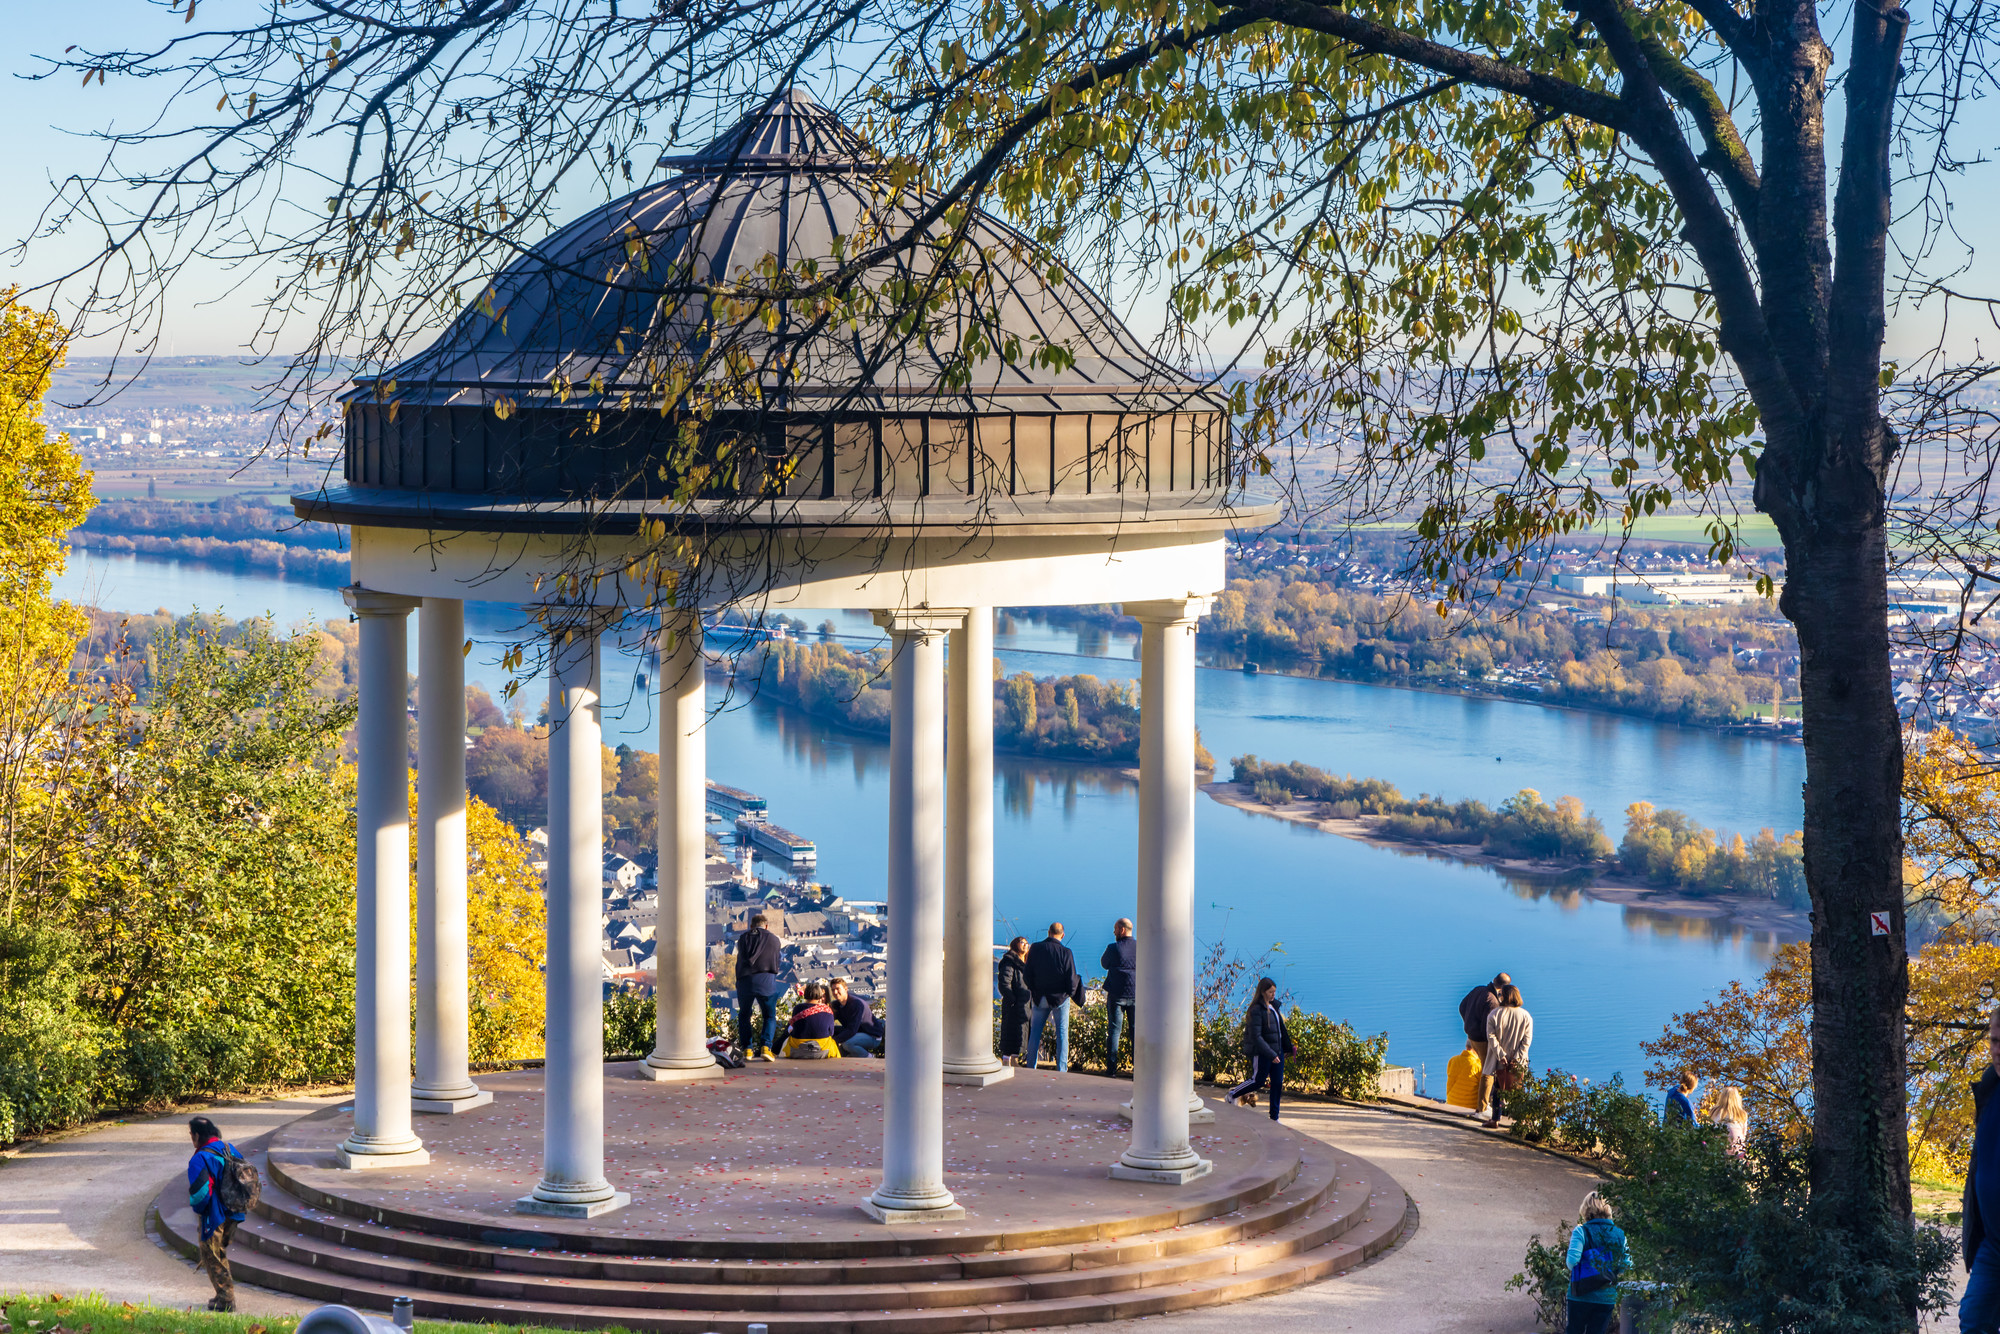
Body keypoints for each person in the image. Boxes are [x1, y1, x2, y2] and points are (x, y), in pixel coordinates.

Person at [1960, 1007, 2000, 1334]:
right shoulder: (1989, 1090)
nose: (1998, 1050)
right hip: (1992, 1243)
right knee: (1973, 1319)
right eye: (1995, 1041)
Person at [187, 1116, 247, 1312]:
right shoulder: (229, 1149)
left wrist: (196, 1208)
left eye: (191, 1134)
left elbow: (200, 1195)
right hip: (234, 1212)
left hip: (213, 1216)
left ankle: (226, 1301)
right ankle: (221, 1296)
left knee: (213, 1256)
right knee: (220, 1253)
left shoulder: (200, 1158)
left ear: (196, 1135)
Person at [1564, 1190, 1631, 1334]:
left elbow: (1571, 1262)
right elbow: (1627, 1264)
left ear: (1586, 1210)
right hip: (1606, 1296)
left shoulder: (1581, 1231)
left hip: (1580, 1295)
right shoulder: (1620, 1234)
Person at [1224, 978, 1292, 1120]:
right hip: (1263, 1053)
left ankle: (1274, 1117)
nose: (1273, 995)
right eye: (1270, 992)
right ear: (1262, 992)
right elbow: (1256, 1036)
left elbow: (1281, 1030)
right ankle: (1233, 1094)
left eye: (1274, 991)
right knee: (1258, 1081)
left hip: (1277, 1051)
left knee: (1277, 1083)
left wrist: (1287, 1048)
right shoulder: (1256, 1010)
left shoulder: (1274, 1007)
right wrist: (1270, 1053)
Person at [1024, 922, 1082, 1071]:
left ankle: (1031, 1066)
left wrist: (1034, 989)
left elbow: (1027, 974)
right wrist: (1069, 993)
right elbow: (1071, 977)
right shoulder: (1066, 952)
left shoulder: (1035, 948)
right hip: (1060, 998)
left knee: (1035, 1033)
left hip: (1040, 997)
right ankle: (1061, 1068)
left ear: (1048, 932)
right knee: (1062, 1034)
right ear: (1062, 935)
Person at [732, 912, 785, 1061]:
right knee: (769, 1015)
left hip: (745, 981)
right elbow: (777, 960)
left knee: (744, 1015)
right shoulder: (774, 940)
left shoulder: (743, 939)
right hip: (766, 980)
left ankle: (747, 1049)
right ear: (766, 926)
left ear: (751, 926)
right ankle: (766, 1047)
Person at [1482, 984, 1533, 1127]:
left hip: (1499, 1060)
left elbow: (1491, 1037)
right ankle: (1521, 1120)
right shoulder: (1526, 1016)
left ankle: (1495, 1119)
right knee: (1518, 1089)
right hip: (1519, 1061)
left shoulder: (1494, 1014)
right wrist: (1517, 1058)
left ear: (1503, 996)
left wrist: (1501, 1055)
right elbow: (1526, 1041)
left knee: (1498, 1089)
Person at [1101, 918, 1137, 1075]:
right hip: (1136, 993)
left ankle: (1112, 1069)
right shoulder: (1141, 947)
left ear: (1122, 930)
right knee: (1135, 1031)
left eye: (1115, 928)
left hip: (1116, 994)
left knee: (1115, 1031)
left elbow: (1104, 963)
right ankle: (1139, 1069)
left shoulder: (1113, 948)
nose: (1114, 931)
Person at [781, 981, 841, 1058]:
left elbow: (794, 1028)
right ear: (820, 995)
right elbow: (831, 1033)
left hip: (797, 1049)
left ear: (805, 994)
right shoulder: (827, 1010)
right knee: (832, 1042)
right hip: (822, 1050)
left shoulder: (797, 1008)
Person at [1458, 972, 1509, 1062]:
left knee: (1478, 1064)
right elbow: (1487, 1025)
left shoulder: (1478, 989)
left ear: (1494, 980)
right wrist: (1487, 1040)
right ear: (1503, 988)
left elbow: (1462, 1006)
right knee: (1486, 1068)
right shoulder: (1492, 1002)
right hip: (1482, 1041)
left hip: (1471, 1035)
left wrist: (1468, 1023)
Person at [997, 937, 1033, 1065]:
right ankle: (1007, 1059)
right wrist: (1012, 999)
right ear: (1015, 945)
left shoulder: (1026, 963)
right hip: (1014, 1004)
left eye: (1027, 943)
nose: (1025, 945)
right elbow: (1004, 983)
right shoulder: (1009, 962)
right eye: (1022, 942)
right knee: (1011, 1031)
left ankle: (1014, 1058)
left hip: (1025, 1004)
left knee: (1021, 1032)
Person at [829, 977, 883, 1057]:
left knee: (847, 1044)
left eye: (838, 989)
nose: (835, 992)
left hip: (872, 1036)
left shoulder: (856, 1004)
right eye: (833, 990)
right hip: (858, 1032)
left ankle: (869, 1057)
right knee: (832, 1030)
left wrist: (833, 1041)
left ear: (845, 989)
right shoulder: (836, 1005)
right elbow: (829, 1019)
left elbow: (852, 1029)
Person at [1445, 1040, 1485, 1111]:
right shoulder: (1478, 1065)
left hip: (1451, 1102)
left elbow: (1450, 1082)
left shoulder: (1453, 1060)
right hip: (1471, 1106)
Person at [1710, 1084, 1748, 1155]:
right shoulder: (1742, 1115)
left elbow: (1711, 1131)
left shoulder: (1714, 1112)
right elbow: (1744, 1135)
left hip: (1719, 1151)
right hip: (1738, 1151)